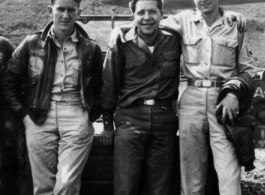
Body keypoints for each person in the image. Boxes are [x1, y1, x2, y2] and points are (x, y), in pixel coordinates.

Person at [108, 1, 257, 195]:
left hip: (222, 100)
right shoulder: (182, 21)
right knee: (191, 171)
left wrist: (234, 93)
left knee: (228, 171)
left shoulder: (234, 25)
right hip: (191, 98)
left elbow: (248, 69)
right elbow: (148, 22)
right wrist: (118, 30)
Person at [2, 0, 103, 194]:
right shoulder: (32, 43)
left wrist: (88, 118)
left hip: (76, 113)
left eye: (71, 10)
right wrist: (25, 116)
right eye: (61, 9)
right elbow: (8, 82)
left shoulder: (90, 48)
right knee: (42, 187)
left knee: (66, 184)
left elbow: (102, 88)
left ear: (78, 12)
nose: (65, 15)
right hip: (39, 116)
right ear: (51, 10)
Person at [100, 0, 181, 194]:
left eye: (152, 12)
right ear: (133, 16)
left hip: (164, 120)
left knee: (159, 189)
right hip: (130, 119)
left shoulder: (174, 39)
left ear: (161, 14)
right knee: (125, 187)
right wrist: (107, 125)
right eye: (141, 13)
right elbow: (109, 84)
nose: (147, 18)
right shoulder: (120, 41)